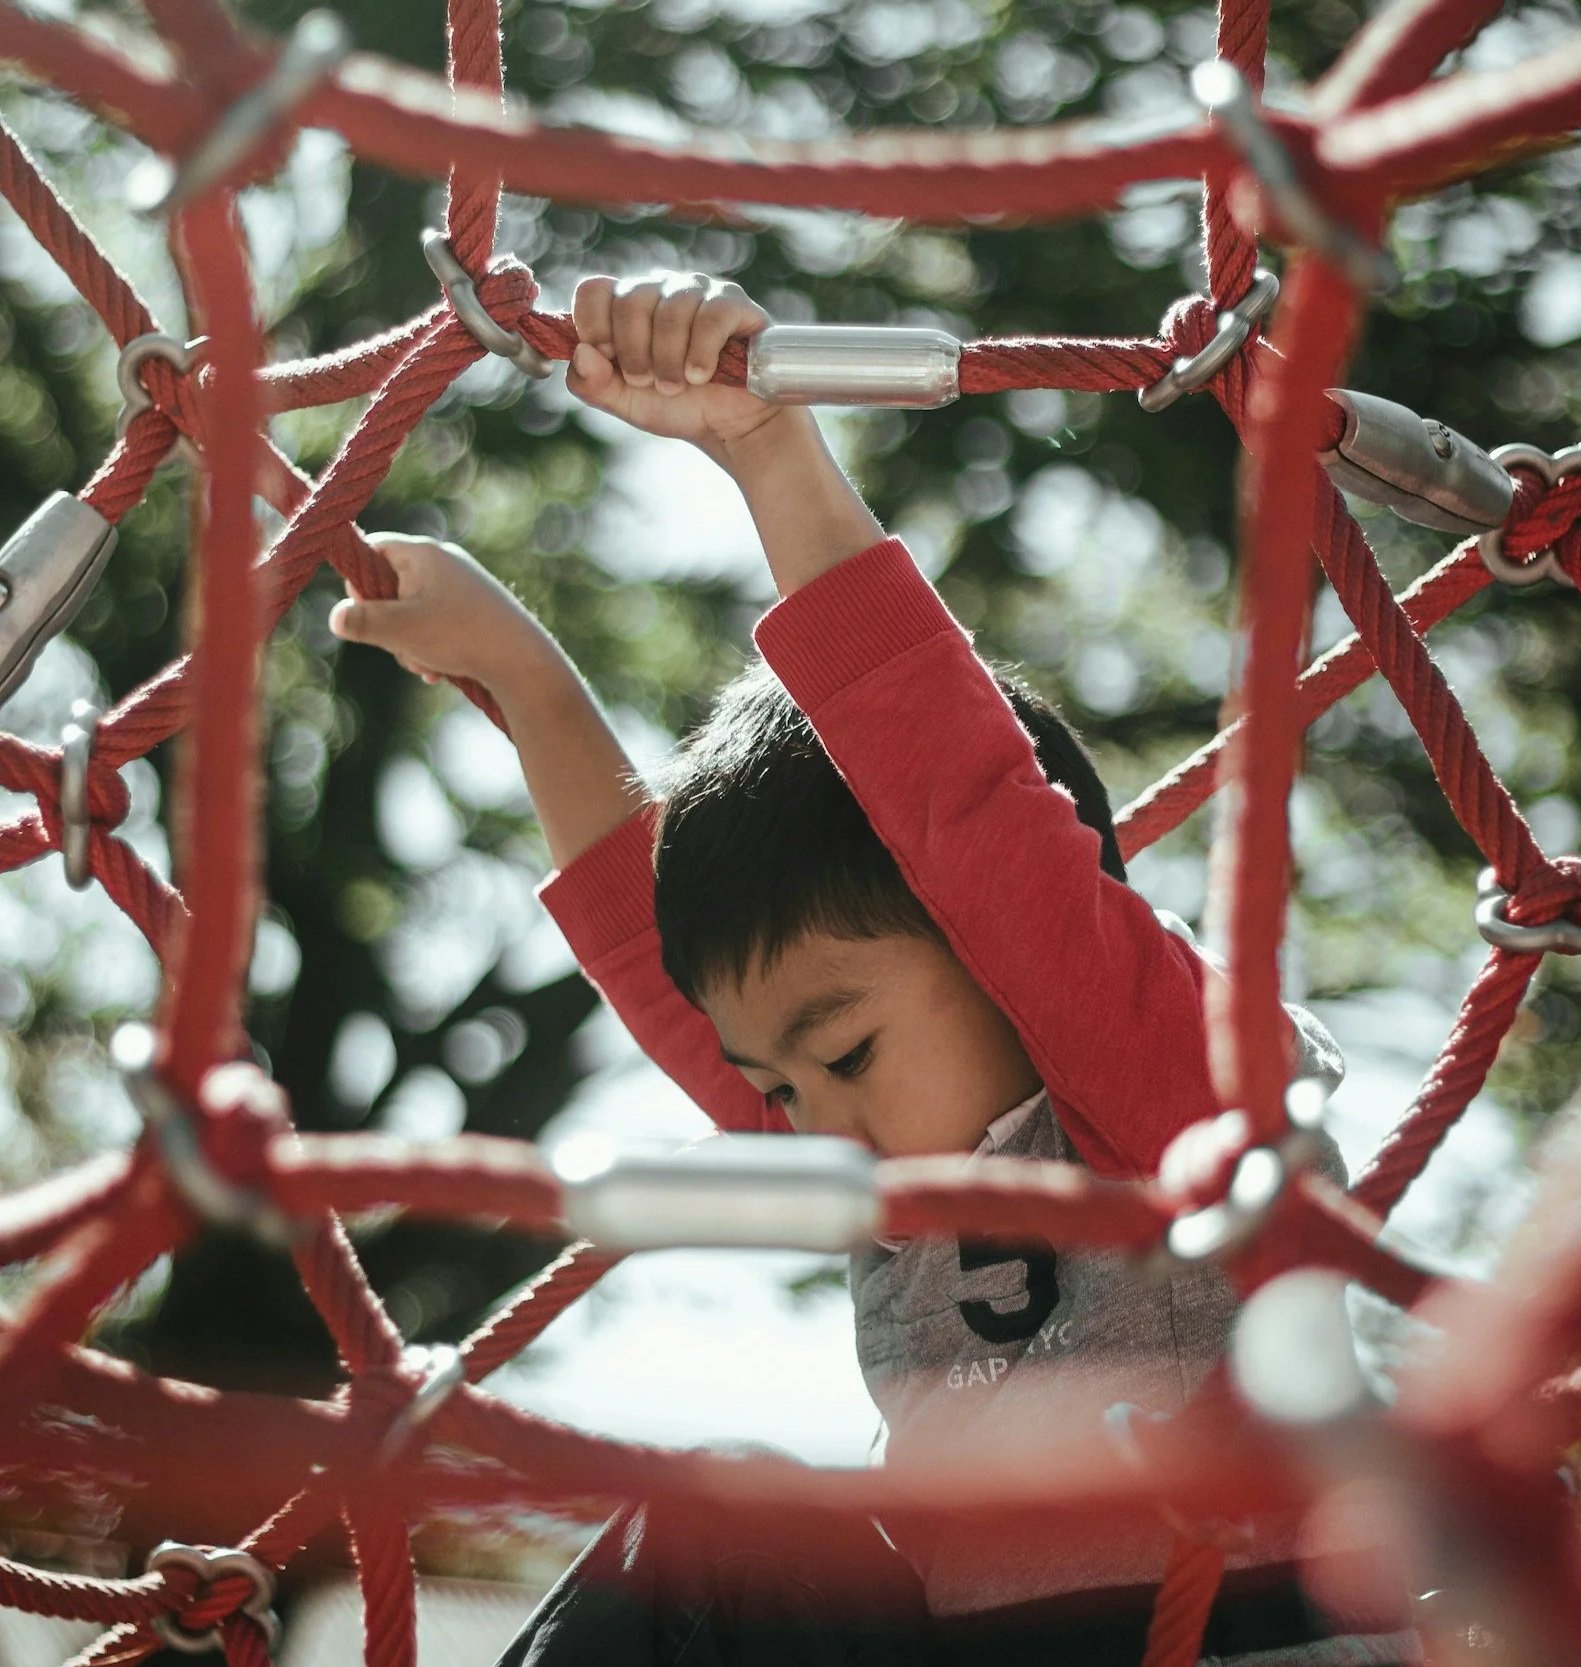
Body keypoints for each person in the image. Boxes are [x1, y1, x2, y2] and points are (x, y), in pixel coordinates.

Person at [329, 272, 1409, 1665]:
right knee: (720, 1523)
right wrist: (519, 675)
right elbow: (675, 981)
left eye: (843, 1059)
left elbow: (971, 820)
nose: (812, 1123)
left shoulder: (1178, 1114)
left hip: (1227, 1628)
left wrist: (768, 451)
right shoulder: (890, 1187)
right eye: (782, 1087)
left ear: (998, 954)